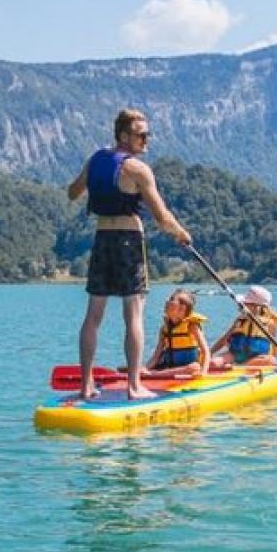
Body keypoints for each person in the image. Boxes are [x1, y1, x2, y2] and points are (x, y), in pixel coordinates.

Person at [66, 108, 193, 400]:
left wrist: (94, 180)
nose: (146, 140)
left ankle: (86, 386)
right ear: (124, 136)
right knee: (133, 314)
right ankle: (134, 387)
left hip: (101, 239)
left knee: (93, 314)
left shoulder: (97, 158)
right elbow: (162, 217)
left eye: (147, 134)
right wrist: (181, 234)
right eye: (141, 135)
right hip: (128, 241)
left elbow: (73, 192)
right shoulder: (137, 169)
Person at [210, 285, 277, 369]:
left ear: (257, 307)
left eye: (245, 303)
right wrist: (209, 353)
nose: (241, 305)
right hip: (235, 354)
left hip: (256, 357)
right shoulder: (240, 320)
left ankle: (239, 367)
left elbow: (274, 346)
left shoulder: (269, 323)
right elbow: (224, 339)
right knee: (213, 363)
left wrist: (272, 359)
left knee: (271, 361)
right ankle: (234, 366)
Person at [147, 288, 209, 378]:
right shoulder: (164, 329)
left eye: (172, 299)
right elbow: (156, 356)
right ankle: (150, 372)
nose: (167, 301)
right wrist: (145, 367)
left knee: (194, 367)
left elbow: (205, 351)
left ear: (182, 309)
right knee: (132, 368)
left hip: (188, 367)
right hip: (170, 366)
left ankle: (154, 374)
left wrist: (203, 372)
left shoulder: (191, 326)